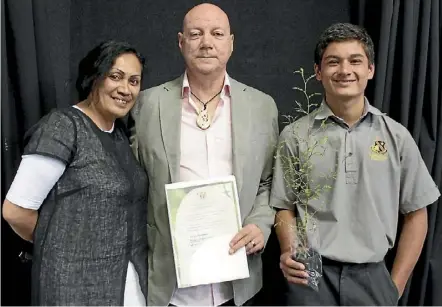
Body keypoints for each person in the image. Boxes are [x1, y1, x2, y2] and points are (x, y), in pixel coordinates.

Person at [271, 23, 440, 306]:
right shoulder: (296, 136)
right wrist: (291, 251)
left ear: (370, 70)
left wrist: (393, 289)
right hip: (311, 276)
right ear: (318, 71)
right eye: (333, 62)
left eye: (355, 61)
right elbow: (284, 206)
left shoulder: (396, 137)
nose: (344, 70)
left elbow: (417, 215)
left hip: (373, 278)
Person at [129, 3, 278, 306]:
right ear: (181, 42)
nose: (206, 42)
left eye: (217, 33)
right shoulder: (146, 105)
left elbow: (267, 182)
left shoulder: (263, 107)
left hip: (237, 283)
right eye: (196, 34)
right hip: (168, 283)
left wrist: (261, 224)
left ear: (231, 43)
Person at [2, 40, 149, 306]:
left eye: (134, 81)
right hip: (74, 287)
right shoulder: (63, 127)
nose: (125, 89)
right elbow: (15, 211)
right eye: (115, 76)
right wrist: (66, 247)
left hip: (126, 283)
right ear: (94, 77)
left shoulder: (118, 135)